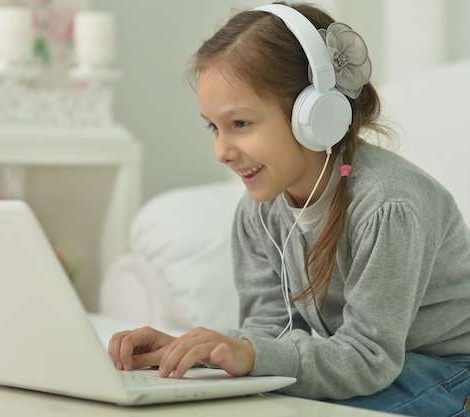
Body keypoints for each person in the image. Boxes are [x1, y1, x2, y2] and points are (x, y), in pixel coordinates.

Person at [108, 2, 470, 416]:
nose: (222, 151)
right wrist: (202, 351)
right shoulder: (257, 212)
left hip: (450, 369)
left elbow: (370, 358)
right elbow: (268, 336)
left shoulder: (388, 205)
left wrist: (250, 356)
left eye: (240, 124)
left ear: (314, 116)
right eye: (214, 127)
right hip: (378, 368)